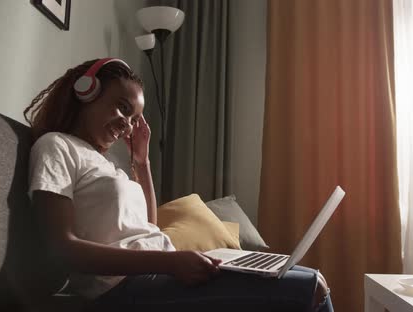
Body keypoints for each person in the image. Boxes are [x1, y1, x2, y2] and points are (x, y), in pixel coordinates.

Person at [24, 58, 333, 311]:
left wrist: (141, 164)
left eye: (134, 118)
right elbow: (62, 247)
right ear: (86, 92)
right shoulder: (56, 146)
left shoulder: (105, 163)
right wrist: (170, 262)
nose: (128, 124)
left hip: (157, 272)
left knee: (309, 276)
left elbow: (149, 228)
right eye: (122, 108)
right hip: (118, 289)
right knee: (309, 289)